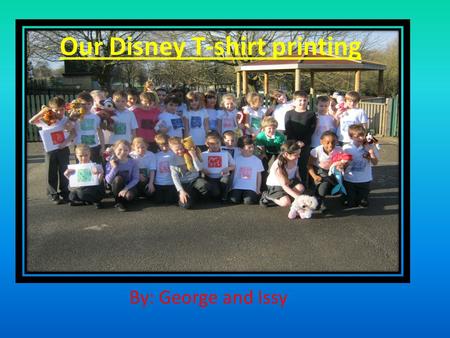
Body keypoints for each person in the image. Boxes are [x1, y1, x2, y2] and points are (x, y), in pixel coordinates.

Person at [28, 96, 76, 204]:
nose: (59, 112)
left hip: (63, 149)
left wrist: (65, 143)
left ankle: (65, 192)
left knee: (64, 171)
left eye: (62, 109)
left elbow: (73, 133)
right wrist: (42, 112)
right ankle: (53, 194)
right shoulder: (46, 119)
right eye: (56, 110)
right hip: (49, 150)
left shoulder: (66, 120)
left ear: (65, 108)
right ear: (51, 109)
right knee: (51, 172)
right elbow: (31, 121)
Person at [168, 136, 212, 209]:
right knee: (186, 206)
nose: (180, 151)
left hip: (195, 180)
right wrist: (181, 191)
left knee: (206, 186)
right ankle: (189, 198)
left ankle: (195, 196)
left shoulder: (191, 153)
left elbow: (199, 168)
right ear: (171, 149)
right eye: (176, 150)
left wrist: (193, 156)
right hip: (184, 183)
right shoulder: (172, 160)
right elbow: (174, 177)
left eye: (181, 148)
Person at [285, 90, 317, 183]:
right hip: (291, 144)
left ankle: (303, 184)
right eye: (300, 100)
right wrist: (295, 142)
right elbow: (288, 128)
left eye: (304, 100)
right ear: (294, 101)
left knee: (303, 165)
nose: (302, 102)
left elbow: (311, 130)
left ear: (307, 101)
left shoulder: (311, 114)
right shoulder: (289, 113)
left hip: (305, 144)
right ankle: (289, 184)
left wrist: (303, 142)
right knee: (290, 164)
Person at [260, 140, 304, 208]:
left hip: (289, 181)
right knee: (286, 203)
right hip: (276, 185)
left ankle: (287, 196)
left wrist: (298, 176)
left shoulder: (294, 157)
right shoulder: (278, 166)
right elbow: (285, 185)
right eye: (296, 155)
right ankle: (267, 196)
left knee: (300, 188)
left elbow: (296, 167)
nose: (299, 156)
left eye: (299, 154)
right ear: (286, 154)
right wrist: (298, 197)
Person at [343, 124, 378, 208]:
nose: (361, 138)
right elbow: (343, 164)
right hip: (350, 179)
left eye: (362, 135)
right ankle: (346, 197)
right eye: (357, 136)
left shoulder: (370, 146)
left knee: (363, 203)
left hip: (364, 179)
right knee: (350, 204)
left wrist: (370, 152)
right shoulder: (346, 148)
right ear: (351, 137)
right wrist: (345, 163)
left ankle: (363, 197)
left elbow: (375, 162)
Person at [307, 131, 343, 210]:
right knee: (324, 185)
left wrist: (342, 165)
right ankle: (319, 202)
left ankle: (344, 197)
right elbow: (309, 165)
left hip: (333, 171)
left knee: (343, 183)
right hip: (320, 171)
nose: (330, 145)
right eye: (327, 142)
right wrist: (314, 176)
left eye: (333, 142)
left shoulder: (339, 149)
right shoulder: (316, 151)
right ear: (321, 142)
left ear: (337, 141)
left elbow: (343, 162)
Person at [64, 144, 105, 208]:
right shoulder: (74, 168)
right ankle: (86, 200)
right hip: (82, 189)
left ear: (90, 154)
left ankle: (96, 201)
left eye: (86, 155)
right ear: (76, 156)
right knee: (72, 196)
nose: (83, 158)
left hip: (95, 190)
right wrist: (67, 175)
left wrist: (100, 173)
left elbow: (99, 183)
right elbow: (72, 186)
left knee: (81, 193)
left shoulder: (96, 166)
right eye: (80, 156)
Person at [105, 139, 139, 212]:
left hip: (129, 186)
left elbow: (136, 179)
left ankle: (126, 198)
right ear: (114, 149)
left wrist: (126, 188)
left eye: (126, 150)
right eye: (119, 149)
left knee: (129, 196)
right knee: (118, 179)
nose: (122, 152)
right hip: (116, 187)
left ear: (129, 151)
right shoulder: (110, 162)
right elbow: (108, 180)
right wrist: (115, 167)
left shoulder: (133, 162)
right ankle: (119, 202)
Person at [229, 136, 264, 205]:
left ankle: (247, 196)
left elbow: (259, 175)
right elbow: (233, 173)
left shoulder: (257, 160)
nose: (251, 149)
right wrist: (231, 186)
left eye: (252, 147)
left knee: (249, 201)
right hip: (237, 186)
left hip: (250, 187)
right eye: (249, 147)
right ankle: (240, 195)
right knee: (233, 200)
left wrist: (258, 189)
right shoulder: (236, 159)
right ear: (241, 149)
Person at [73, 91, 105, 165]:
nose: (86, 106)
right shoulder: (75, 117)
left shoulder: (96, 117)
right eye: (83, 104)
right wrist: (73, 115)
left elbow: (100, 132)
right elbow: (69, 130)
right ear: (78, 104)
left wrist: (102, 147)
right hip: (80, 149)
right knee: (82, 170)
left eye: (89, 104)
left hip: (94, 147)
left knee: (95, 168)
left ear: (92, 104)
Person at [202, 132, 235, 201]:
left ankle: (224, 196)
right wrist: (203, 170)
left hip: (223, 176)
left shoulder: (226, 153)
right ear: (207, 144)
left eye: (217, 143)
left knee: (225, 180)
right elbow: (199, 167)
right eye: (212, 144)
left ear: (221, 142)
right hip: (211, 178)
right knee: (215, 193)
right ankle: (217, 193)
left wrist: (228, 169)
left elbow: (233, 166)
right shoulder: (203, 155)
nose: (215, 146)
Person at [153, 133, 178, 204]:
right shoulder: (155, 156)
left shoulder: (174, 154)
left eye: (166, 145)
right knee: (159, 201)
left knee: (169, 201)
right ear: (158, 145)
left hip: (171, 183)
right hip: (159, 183)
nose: (164, 148)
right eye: (161, 145)